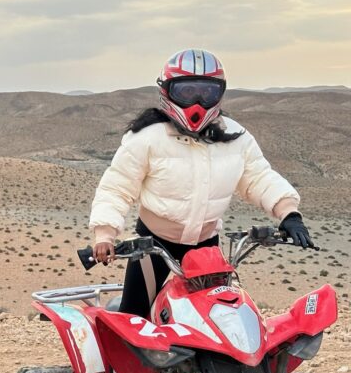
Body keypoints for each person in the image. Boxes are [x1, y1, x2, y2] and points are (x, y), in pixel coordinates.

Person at [89, 48, 313, 317]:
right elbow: (117, 188)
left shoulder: (235, 137)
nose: (197, 102)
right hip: (153, 245)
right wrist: (105, 234)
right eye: (186, 91)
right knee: (133, 318)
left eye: (207, 92)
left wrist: (288, 211)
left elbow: (259, 177)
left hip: (206, 247)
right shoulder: (148, 138)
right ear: (167, 91)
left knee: (220, 317)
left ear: (220, 93)